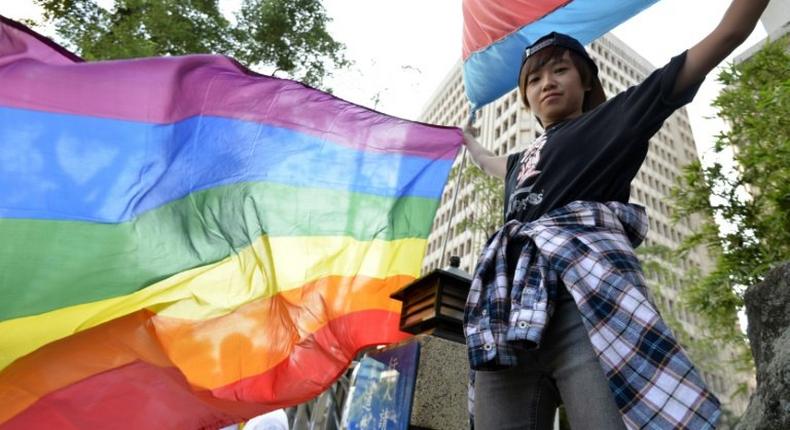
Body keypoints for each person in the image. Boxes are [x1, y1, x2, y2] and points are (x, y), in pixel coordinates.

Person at [461, 1, 772, 429]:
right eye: (533, 79)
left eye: (560, 70)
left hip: (587, 306)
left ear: (586, 82)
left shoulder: (614, 119)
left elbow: (727, 34)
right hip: (509, 315)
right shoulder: (522, 159)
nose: (546, 83)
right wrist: (468, 142)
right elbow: (490, 164)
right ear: (527, 99)